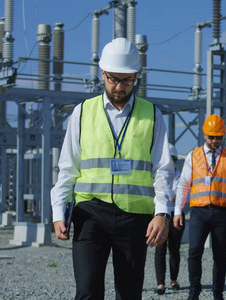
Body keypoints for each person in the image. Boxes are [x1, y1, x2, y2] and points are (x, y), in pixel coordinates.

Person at [50, 37, 174, 300]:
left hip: (134, 216)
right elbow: (67, 167)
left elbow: (163, 169)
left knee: (129, 293)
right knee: (87, 290)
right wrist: (58, 210)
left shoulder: (152, 115)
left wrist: (162, 213)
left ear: (136, 76)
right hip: (90, 212)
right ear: (102, 74)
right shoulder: (82, 113)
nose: (119, 87)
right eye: (113, 79)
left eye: (127, 80)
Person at [175, 114, 226, 300]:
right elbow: (183, 184)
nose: (215, 141)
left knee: (220, 254)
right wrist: (178, 211)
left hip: (222, 211)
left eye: (218, 137)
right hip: (199, 212)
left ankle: (218, 293)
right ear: (204, 135)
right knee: (194, 252)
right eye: (211, 137)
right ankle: (194, 293)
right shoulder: (194, 156)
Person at [154, 143, 185, 295]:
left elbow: (181, 197)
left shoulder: (180, 176)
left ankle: (173, 279)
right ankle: (160, 283)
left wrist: (167, 198)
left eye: (170, 158)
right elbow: (164, 196)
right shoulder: (158, 176)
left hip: (176, 216)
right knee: (160, 249)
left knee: (174, 249)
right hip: (161, 215)